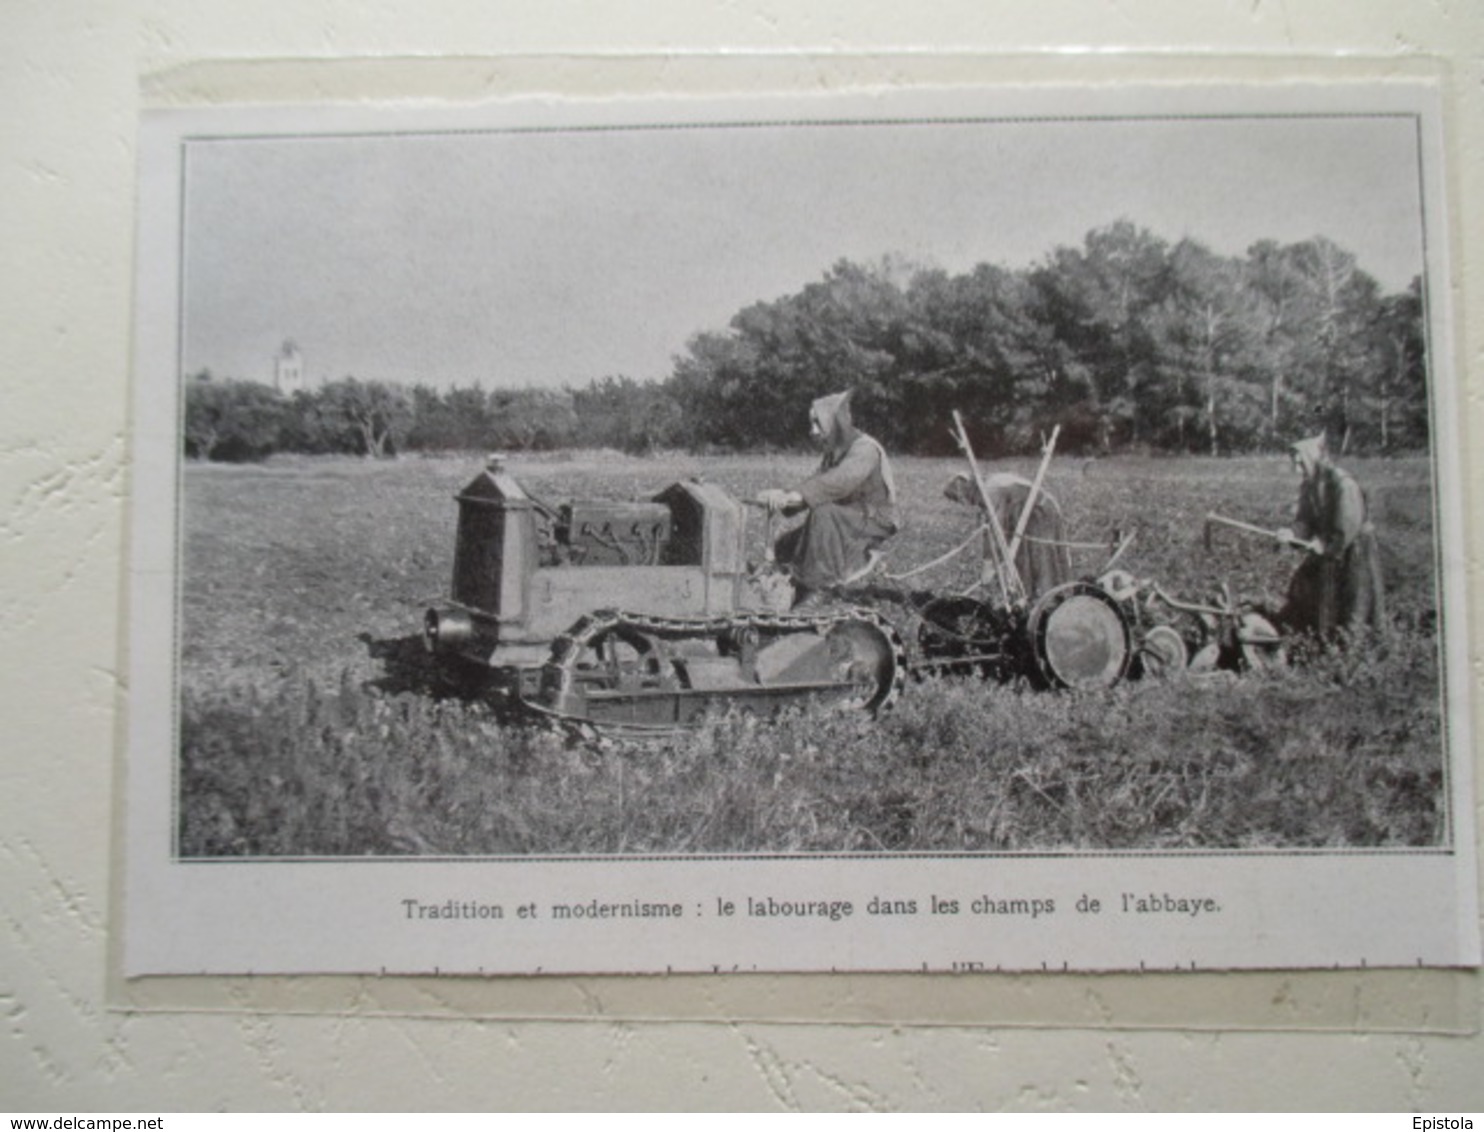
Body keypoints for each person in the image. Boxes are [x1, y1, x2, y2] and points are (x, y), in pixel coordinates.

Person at [756, 390, 897, 607]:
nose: (813, 430)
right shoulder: (836, 451)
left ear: (836, 422)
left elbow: (839, 483)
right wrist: (784, 495)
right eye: (812, 423)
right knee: (786, 544)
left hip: (873, 518)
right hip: (848, 515)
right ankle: (785, 590)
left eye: (818, 423)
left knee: (823, 514)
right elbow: (817, 481)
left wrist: (798, 495)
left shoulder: (865, 449)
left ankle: (820, 588)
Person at [1276, 433, 1387, 639]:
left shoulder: (1342, 484)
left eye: (1300, 464)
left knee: (1355, 600)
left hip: (1353, 549)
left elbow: (1348, 524)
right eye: (1295, 464)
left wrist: (1325, 544)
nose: (1296, 469)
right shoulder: (1309, 485)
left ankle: (1357, 648)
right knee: (1307, 588)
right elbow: (1305, 519)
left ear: (1313, 459)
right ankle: (1321, 639)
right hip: (1330, 547)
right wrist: (1292, 533)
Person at [943, 470, 1072, 601]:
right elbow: (990, 529)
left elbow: (997, 528)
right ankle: (1028, 599)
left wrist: (989, 564)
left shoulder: (992, 490)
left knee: (1043, 561)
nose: (964, 503)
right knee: (1021, 560)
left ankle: (1050, 602)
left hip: (1040, 512)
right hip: (1024, 515)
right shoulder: (987, 490)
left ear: (965, 490)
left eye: (959, 498)